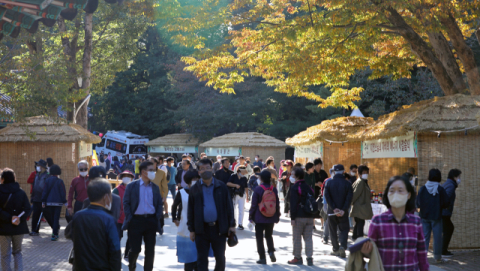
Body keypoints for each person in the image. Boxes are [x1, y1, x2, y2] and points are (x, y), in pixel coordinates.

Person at [361, 176, 429, 271]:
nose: (396, 194)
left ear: (409, 195)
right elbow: (372, 253)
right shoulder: (377, 221)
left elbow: (421, 254)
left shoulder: (416, 222)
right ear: (387, 194)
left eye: (400, 190)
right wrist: (366, 252)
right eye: (392, 190)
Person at [187, 158, 235, 271]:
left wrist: (232, 225)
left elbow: (229, 207)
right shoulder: (195, 188)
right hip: (201, 229)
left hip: (219, 228)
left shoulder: (221, 186)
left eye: (207, 168)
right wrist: (192, 229)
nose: (205, 170)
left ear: (212, 168)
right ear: (198, 171)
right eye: (202, 169)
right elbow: (191, 210)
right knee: (201, 259)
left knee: (220, 258)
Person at [65, 178, 121, 271]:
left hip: (80, 267)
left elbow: (68, 234)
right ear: (106, 197)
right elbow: (115, 250)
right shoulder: (109, 219)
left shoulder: (78, 216)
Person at [122, 161, 164, 271]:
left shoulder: (155, 187)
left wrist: (157, 217)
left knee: (150, 250)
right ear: (143, 172)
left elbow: (159, 203)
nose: (153, 172)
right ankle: (132, 267)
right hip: (135, 221)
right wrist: (130, 217)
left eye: (153, 170)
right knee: (135, 249)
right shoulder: (132, 186)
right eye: (151, 170)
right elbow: (126, 202)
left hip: (151, 221)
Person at [172, 170, 206, 270]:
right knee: (188, 257)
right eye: (193, 179)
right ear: (188, 181)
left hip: (200, 226)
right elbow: (174, 206)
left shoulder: (202, 191)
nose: (196, 181)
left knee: (199, 255)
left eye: (197, 179)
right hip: (185, 227)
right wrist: (174, 219)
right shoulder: (182, 192)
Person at [0, 168, 32, 271]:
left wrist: (9, 218)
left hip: (3, 228)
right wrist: (18, 218)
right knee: (17, 252)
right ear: (14, 178)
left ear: (3, 179)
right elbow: (28, 208)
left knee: (5, 254)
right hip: (19, 227)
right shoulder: (21, 192)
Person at [416, 169, 449, 263]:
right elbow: (446, 202)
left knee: (425, 237)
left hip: (424, 216)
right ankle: (437, 258)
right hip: (436, 217)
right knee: (437, 238)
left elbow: (418, 203)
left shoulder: (423, 188)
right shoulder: (440, 189)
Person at [249, 170, 280, 265]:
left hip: (259, 217)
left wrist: (250, 215)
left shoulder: (258, 189)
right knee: (269, 235)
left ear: (262, 179)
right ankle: (271, 251)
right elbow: (277, 203)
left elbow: (254, 204)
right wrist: (277, 215)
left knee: (259, 237)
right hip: (271, 217)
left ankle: (262, 257)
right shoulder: (273, 189)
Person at [324, 164, 353, 258]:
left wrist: (334, 208)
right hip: (343, 212)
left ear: (334, 172)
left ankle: (335, 249)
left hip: (332, 211)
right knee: (344, 229)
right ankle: (343, 246)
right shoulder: (348, 184)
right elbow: (349, 199)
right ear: (343, 172)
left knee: (332, 230)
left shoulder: (329, 183)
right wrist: (343, 209)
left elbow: (327, 197)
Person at [288, 167, 315, 266]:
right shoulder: (308, 187)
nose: (291, 176)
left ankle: (297, 257)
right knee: (308, 238)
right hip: (309, 216)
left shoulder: (295, 187)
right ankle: (309, 258)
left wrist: (292, 218)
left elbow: (293, 204)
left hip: (299, 217)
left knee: (297, 238)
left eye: (293, 174)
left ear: (297, 176)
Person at [41, 165, 67, 241]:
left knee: (52, 218)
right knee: (56, 219)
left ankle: (54, 231)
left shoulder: (47, 180)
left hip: (49, 203)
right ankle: (54, 234)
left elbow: (44, 191)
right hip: (58, 203)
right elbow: (63, 192)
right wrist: (64, 202)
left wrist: (43, 201)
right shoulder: (60, 181)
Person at [112, 170, 134, 261]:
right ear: (121, 178)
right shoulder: (116, 190)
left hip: (131, 217)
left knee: (131, 236)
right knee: (118, 236)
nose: (127, 178)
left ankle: (127, 254)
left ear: (132, 179)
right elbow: (112, 203)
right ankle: (116, 253)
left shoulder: (134, 189)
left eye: (129, 176)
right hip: (119, 218)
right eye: (125, 176)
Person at [350, 165, 373, 241]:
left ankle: (355, 237)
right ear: (359, 173)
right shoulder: (360, 182)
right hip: (360, 207)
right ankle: (359, 239)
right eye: (363, 172)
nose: (365, 174)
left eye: (367, 172)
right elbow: (355, 195)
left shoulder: (362, 181)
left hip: (360, 207)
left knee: (358, 223)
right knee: (360, 223)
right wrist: (350, 203)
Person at [442, 169, 461, 257]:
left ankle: (443, 250)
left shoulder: (447, 183)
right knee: (449, 229)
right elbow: (446, 198)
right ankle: (443, 250)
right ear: (454, 177)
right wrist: (447, 207)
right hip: (444, 213)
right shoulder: (450, 186)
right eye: (458, 177)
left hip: (443, 212)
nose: (459, 179)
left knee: (447, 229)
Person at [29, 159, 49, 236]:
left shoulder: (47, 176)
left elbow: (47, 188)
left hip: (43, 199)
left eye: (39, 165)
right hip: (36, 198)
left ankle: (55, 229)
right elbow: (34, 186)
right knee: (35, 215)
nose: (37, 167)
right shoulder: (36, 175)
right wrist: (32, 197)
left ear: (43, 167)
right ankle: (34, 230)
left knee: (48, 216)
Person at [227, 166, 249, 230]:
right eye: (242, 172)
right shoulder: (233, 176)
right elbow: (228, 183)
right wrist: (235, 185)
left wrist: (247, 197)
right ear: (238, 171)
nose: (243, 174)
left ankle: (240, 224)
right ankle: (233, 223)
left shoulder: (244, 178)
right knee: (233, 209)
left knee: (241, 210)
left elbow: (246, 188)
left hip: (241, 195)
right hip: (234, 195)